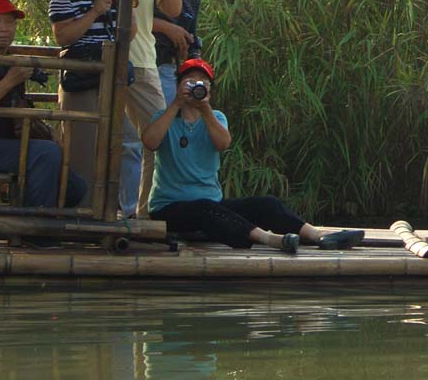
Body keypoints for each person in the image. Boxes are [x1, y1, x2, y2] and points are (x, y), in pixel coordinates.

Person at [144, 58, 364, 252]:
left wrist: (204, 109)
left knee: (266, 204)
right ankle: (270, 240)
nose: (195, 88)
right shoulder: (165, 117)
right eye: (190, 82)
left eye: (202, 84)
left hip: (212, 203)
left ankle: (319, 236)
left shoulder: (215, 117)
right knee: (205, 209)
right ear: (179, 85)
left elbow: (223, 143)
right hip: (170, 208)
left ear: (210, 89)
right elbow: (150, 141)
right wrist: (177, 103)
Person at [0, 0, 85, 207]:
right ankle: (34, 229)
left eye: (10, 22)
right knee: (46, 154)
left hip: (14, 143)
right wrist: (9, 81)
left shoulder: (12, 58)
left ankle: (35, 217)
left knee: (77, 187)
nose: (4, 28)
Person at [100, 0, 182, 218]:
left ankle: (146, 213)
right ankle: (102, 211)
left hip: (144, 63)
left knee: (156, 137)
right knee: (104, 138)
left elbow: (173, 9)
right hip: (102, 60)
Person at [49, 0, 136, 207]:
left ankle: (126, 210)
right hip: (79, 73)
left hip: (110, 73)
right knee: (81, 148)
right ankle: (81, 212)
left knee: (129, 141)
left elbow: (129, 33)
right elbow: (63, 37)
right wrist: (95, 11)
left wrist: (128, 12)